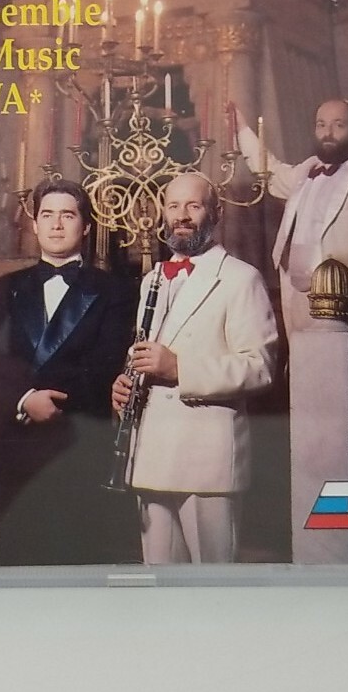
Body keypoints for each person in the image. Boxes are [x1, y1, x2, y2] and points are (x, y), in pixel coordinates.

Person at [111, 172, 278, 564]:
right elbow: (145, 353)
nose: (181, 215)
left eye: (193, 205)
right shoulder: (152, 279)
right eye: (173, 206)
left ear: (215, 213)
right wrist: (125, 382)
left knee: (212, 583)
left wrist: (179, 368)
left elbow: (261, 367)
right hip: (150, 455)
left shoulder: (241, 279)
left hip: (206, 461)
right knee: (160, 582)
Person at [0, 179, 139, 565]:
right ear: (34, 224)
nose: (56, 224)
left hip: (79, 445)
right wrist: (25, 399)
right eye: (47, 215)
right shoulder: (4, 288)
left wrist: (50, 401)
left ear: (85, 227)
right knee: (17, 562)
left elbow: (104, 363)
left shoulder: (116, 291)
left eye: (67, 215)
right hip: (16, 449)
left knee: (77, 562)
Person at [233, 99, 348, 340]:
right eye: (321, 125)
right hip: (297, 301)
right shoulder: (307, 170)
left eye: (338, 125)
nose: (328, 133)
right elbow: (270, 171)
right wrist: (241, 128)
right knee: (302, 364)